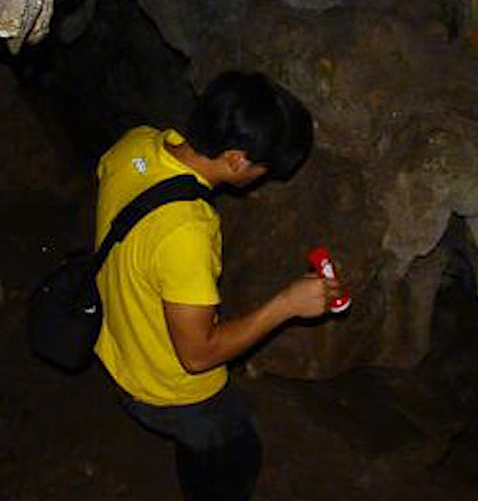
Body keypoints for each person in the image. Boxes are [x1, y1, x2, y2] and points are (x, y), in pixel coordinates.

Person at [93, 70, 338, 501]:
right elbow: (197, 354)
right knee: (234, 455)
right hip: (167, 389)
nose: (263, 178)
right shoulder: (186, 231)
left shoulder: (139, 143)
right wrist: (285, 304)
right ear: (237, 161)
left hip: (117, 345)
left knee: (206, 451)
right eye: (264, 169)